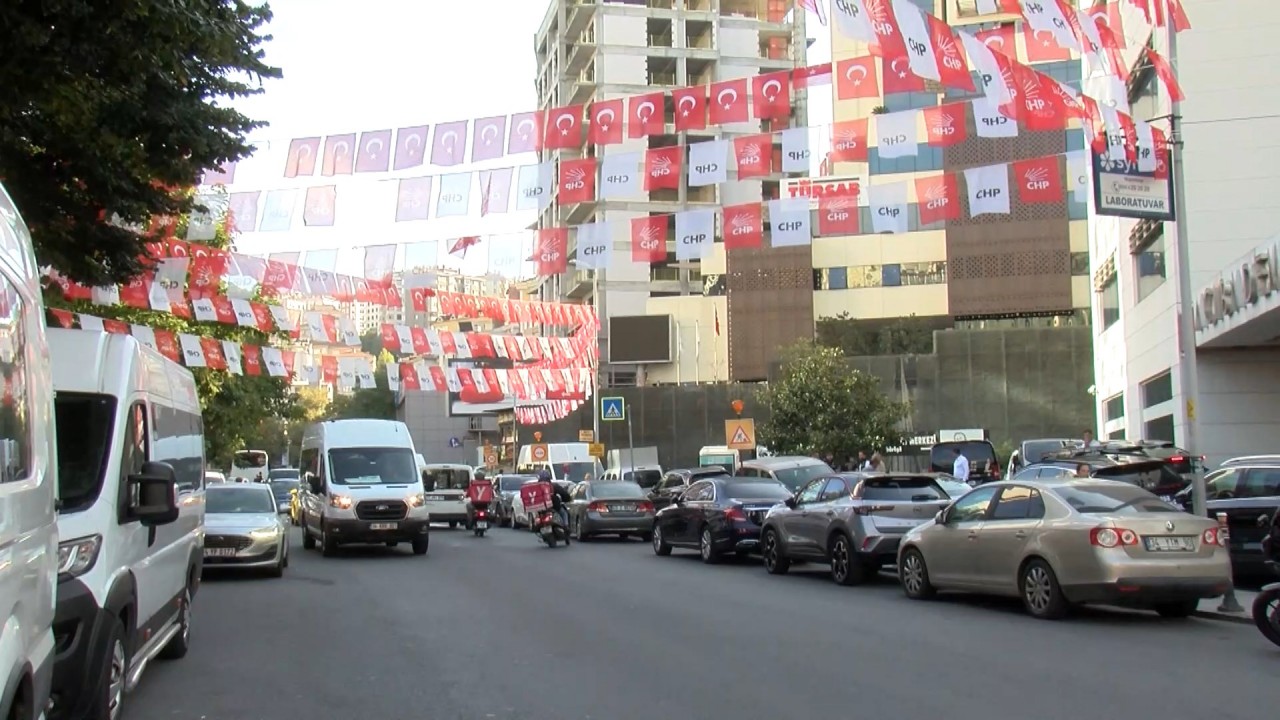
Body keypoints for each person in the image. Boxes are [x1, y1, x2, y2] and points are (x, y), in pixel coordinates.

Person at [537, 469, 572, 538]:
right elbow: (564, 494)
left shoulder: (537, 488)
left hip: (541, 508)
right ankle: (566, 526)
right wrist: (568, 498)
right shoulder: (553, 486)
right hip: (554, 506)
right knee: (564, 513)